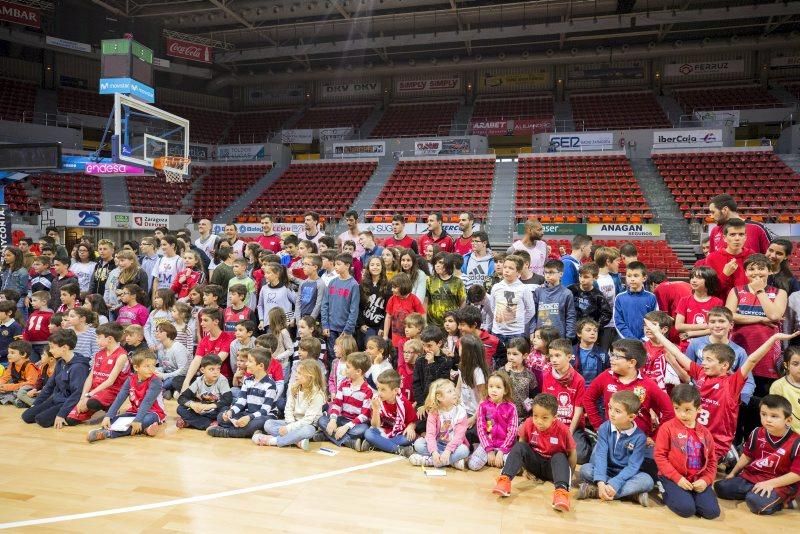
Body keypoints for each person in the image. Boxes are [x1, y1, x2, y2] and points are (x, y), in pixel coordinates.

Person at [645, 318, 797, 462]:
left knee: (679, 464)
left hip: (715, 443)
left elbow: (752, 360)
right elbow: (677, 353)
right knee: (655, 453)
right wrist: (658, 334)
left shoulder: (732, 383)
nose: (703, 363)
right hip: (691, 435)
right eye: (703, 359)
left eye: (709, 360)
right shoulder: (700, 373)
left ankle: (724, 457)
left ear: (725, 366)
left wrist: (774, 337)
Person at [714, 394, 800, 515]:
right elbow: (747, 455)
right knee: (721, 488)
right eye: (763, 414)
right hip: (753, 477)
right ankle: (755, 492)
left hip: (779, 483)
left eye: (774, 416)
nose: (767, 419)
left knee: (756, 504)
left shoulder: (797, 442)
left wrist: (769, 484)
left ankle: (785, 501)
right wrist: (733, 473)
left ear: (788, 420)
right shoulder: (756, 433)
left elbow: (796, 475)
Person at [492, 393, 576, 512]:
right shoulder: (529, 423)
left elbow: (572, 455)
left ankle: (561, 493)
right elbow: (522, 447)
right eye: (535, 416)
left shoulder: (563, 430)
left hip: (552, 469)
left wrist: (567, 477)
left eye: (544, 418)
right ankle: (504, 480)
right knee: (520, 446)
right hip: (535, 464)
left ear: (555, 417)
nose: (538, 421)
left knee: (560, 456)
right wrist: (525, 469)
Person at [583, 339, 674, 443]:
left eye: (617, 356)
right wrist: (599, 427)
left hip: (638, 441)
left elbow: (669, 412)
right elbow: (588, 398)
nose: (611, 359)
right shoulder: (606, 376)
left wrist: (655, 437)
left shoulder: (649, 385)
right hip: (610, 438)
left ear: (631, 362)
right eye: (612, 354)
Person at [654, 384, 721, 519]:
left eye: (688, 410)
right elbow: (660, 456)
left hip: (697, 479)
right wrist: (677, 478)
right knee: (687, 510)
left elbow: (712, 461)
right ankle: (665, 489)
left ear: (699, 409)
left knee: (712, 512)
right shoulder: (667, 428)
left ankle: (690, 496)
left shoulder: (705, 433)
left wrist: (706, 480)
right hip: (672, 478)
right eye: (677, 409)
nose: (682, 414)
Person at [578, 390, 653, 506]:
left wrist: (616, 482)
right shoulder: (604, 427)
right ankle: (631, 494)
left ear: (631, 416)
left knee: (647, 481)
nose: (611, 413)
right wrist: (601, 481)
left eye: (617, 411)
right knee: (585, 470)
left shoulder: (640, 437)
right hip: (607, 470)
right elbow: (601, 455)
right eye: (610, 408)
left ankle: (596, 492)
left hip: (626, 475)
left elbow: (633, 466)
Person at [727, 253, 788, 395]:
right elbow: (729, 317)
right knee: (738, 394)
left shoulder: (780, 292)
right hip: (739, 347)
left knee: (763, 395)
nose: (756, 272)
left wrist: (760, 291)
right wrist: (760, 319)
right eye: (751, 269)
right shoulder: (736, 291)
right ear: (746, 272)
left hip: (768, 353)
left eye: (761, 268)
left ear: (769, 271)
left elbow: (774, 315)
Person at [86, 350, 165, 442]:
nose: (152, 369)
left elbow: (147, 402)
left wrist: (138, 420)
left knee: (144, 420)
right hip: (134, 411)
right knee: (114, 419)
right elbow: (120, 398)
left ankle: (108, 433)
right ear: (136, 367)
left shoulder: (156, 381)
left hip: (154, 412)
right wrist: (108, 416)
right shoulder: (130, 379)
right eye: (147, 366)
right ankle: (145, 430)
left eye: (153, 365)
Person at [21, 329, 91, 428]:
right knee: (27, 416)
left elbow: (77, 394)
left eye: (52, 347)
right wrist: (37, 403)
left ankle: (71, 416)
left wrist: (62, 413)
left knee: (41, 420)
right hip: (56, 398)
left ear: (64, 348)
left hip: (68, 402)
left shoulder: (79, 367)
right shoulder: (60, 362)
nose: (50, 350)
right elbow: (50, 385)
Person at [254, 358, 326, 450]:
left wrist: (288, 429)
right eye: (297, 372)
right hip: (292, 422)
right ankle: (296, 440)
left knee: (308, 431)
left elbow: (308, 420)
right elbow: (288, 409)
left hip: (308, 425)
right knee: (268, 424)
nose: (296, 375)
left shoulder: (317, 394)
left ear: (310, 376)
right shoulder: (294, 387)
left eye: (300, 373)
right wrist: (290, 426)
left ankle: (273, 441)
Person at [66, 322, 129, 425]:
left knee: (92, 403)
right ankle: (97, 406)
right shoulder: (98, 353)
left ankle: (111, 407)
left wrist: (89, 395)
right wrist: (83, 397)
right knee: (70, 420)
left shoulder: (122, 355)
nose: (96, 340)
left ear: (109, 339)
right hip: (95, 390)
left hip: (111, 391)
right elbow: (90, 377)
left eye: (99, 337)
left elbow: (110, 381)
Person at [208, 347, 277, 438]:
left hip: (264, 416)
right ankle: (247, 431)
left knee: (258, 423)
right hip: (248, 413)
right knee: (221, 417)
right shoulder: (247, 381)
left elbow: (265, 410)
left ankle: (227, 432)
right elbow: (241, 402)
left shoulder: (270, 384)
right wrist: (231, 412)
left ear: (260, 366)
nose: (246, 363)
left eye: (250, 361)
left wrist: (249, 418)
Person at [409, 378, 470, 469]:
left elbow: (459, 437)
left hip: (454, 446)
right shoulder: (434, 412)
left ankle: (430, 461)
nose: (454, 393)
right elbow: (430, 435)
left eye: (453, 390)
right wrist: (434, 452)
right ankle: (451, 461)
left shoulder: (460, 411)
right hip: (438, 444)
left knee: (464, 450)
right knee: (418, 444)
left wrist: (448, 451)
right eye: (449, 391)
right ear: (439, 397)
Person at [318, 351, 373, 451]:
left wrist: (346, 427)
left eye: (348, 367)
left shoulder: (368, 390)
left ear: (358, 371)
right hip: (341, 418)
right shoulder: (344, 384)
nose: (345, 369)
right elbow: (337, 404)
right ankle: (349, 442)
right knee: (322, 420)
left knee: (363, 430)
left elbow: (364, 415)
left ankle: (326, 435)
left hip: (355, 423)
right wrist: (333, 420)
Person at [468, 371, 518, 471]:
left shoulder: (511, 407)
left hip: (505, 446)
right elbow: (481, 430)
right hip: (487, 444)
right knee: (473, 465)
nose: (493, 390)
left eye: (498, 387)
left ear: (505, 390)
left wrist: (502, 451)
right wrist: (489, 450)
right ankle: (485, 453)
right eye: (491, 386)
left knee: (514, 468)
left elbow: (512, 432)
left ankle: (496, 457)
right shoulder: (483, 406)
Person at [364, 368, 417, 455]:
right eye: (378, 388)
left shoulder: (404, 402)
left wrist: (410, 427)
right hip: (383, 431)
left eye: (383, 389)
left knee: (409, 438)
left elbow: (413, 421)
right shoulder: (377, 401)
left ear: (395, 391)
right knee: (368, 433)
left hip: (399, 433)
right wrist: (376, 409)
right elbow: (375, 425)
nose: (379, 393)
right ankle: (399, 449)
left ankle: (379, 444)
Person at [175, 354, 232, 431]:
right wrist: (193, 405)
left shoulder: (222, 380)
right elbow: (182, 398)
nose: (216, 372)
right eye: (211, 369)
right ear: (202, 370)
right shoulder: (198, 381)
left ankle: (190, 423)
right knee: (180, 409)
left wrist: (210, 406)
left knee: (225, 410)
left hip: (215, 410)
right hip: (202, 410)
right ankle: (210, 424)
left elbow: (228, 400)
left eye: (218, 369)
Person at [489, 254, 534, 348]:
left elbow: (530, 310)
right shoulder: (496, 287)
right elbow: (493, 307)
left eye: (511, 268)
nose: (506, 270)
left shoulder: (523, 289)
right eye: (505, 267)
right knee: (497, 360)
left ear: (518, 272)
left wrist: (519, 321)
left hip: (516, 333)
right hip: (497, 332)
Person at [674, 266, 723, 352]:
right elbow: (678, 326)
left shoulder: (717, 302)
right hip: (687, 346)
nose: (693, 280)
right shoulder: (684, 300)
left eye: (699, 278)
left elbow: (715, 328)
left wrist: (691, 333)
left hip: (708, 347)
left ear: (709, 281)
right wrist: (704, 326)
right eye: (692, 277)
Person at [321, 253, 360, 356]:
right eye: (335, 264)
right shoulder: (332, 282)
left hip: (344, 329)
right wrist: (325, 324)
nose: (336, 267)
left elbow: (354, 310)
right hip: (331, 328)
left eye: (338, 264)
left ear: (347, 265)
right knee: (332, 355)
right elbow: (325, 304)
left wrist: (348, 329)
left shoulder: (354, 285)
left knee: (346, 355)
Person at [705, 218, 753, 299]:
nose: (737, 238)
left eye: (741, 234)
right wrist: (725, 275)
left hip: (747, 306)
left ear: (745, 237)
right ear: (724, 238)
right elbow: (709, 291)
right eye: (732, 234)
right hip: (722, 308)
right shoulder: (712, 258)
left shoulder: (752, 255)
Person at [532, 259, 576, 340]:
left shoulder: (567, 293)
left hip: (558, 337)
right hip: (540, 336)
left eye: (551, 272)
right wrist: (532, 331)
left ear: (561, 274)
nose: (548, 275)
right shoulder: (538, 291)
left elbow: (570, 316)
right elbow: (533, 314)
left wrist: (569, 337)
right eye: (545, 272)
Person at [383, 273, 425, 358]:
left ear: (403, 287)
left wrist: (421, 334)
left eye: (394, 287)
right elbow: (388, 317)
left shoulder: (413, 299)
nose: (392, 290)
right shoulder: (392, 299)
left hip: (411, 341)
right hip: (396, 340)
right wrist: (385, 335)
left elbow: (422, 316)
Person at [613, 261, 657, 340]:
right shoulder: (620, 298)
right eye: (629, 276)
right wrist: (631, 339)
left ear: (644, 278)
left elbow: (655, 321)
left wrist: (645, 339)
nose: (632, 279)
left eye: (636, 276)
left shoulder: (651, 297)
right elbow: (618, 322)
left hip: (646, 342)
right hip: (626, 342)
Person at [568, 262, 612, 334]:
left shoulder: (598, 296)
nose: (582, 280)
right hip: (571, 330)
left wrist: (595, 326)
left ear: (595, 278)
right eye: (580, 276)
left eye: (586, 277)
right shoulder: (571, 290)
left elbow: (607, 314)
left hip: (588, 332)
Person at [425, 253, 466, 328]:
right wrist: (424, 321)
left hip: (451, 324)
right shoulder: (429, 280)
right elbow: (426, 301)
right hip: (432, 323)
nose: (437, 265)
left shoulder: (457, 282)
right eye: (435, 263)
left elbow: (462, 302)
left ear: (448, 264)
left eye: (440, 262)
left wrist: (459, 320)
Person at [154, 322, 189, 399]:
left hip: (180, 376)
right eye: (156, 331)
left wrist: (164, 376)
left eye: (160, 331)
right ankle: (168, 390)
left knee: (170, 382)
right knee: (151, 376)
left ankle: (164, 389)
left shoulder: (178, 348)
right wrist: (155, 371)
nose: (156, 333)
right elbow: (163, 366)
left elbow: (183, 370)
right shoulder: (160, 348)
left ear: (168, 333)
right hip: (168, 374)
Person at [504, 337, 536, 419]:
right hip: (505, 414)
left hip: (523, 416)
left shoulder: (529, 375)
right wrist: (506, 373)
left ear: (525, 356)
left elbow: (533, 396)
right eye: (508, 353)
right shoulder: (502, 372)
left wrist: (530, 412)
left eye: (515, 354)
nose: (511, 357)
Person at [770, 347, 800, 433]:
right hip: (788, 437)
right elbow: (775, 414)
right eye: (795, 364)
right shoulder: (778, 386)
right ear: (786, 365)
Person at [257, 262, 296, 330]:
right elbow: (260, 305)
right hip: (268, 324)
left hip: (284, 324)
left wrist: (293, 318)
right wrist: (261, 320)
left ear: (277, 274)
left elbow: (298, 303)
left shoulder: (286, 288)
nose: (265, 275)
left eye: (268, 273)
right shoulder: (264, 288)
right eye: (265, 273)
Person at [0, 340, 39, 404]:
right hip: (16, 388)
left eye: (12, 353)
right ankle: (16, 399)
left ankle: (26, 402)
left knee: (21, 392)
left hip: (28, 389)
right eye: (8, 353)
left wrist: (10, 387)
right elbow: (5, 378)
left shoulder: (30, 366)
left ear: (23, 354)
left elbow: (31, 384)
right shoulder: (11, 364)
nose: (8, 355)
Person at [151, 235, 184, 302]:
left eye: (164, 245)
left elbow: (182, 281)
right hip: (160, 296)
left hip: (173, 297)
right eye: (161, 245)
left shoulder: (180, 261)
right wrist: (154, 296)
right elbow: (156, 280)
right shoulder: (160, 260)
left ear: (172, 245)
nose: (162, 247)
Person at [295, 254, 325, 321]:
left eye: (307, 264)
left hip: (311, 320)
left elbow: (318, 304)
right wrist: (297, 318)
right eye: (303, 264)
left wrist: (310, 320)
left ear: (315, 267)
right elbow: (298, 301)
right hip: (301, 319)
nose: (303, 267)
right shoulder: (303, 283)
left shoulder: (320, 284)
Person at [0, 300, 23, 367]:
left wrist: (2, 353)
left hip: (7, 361)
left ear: (9, 312)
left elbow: (16, 345)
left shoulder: (15, 326)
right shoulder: (1, 325)